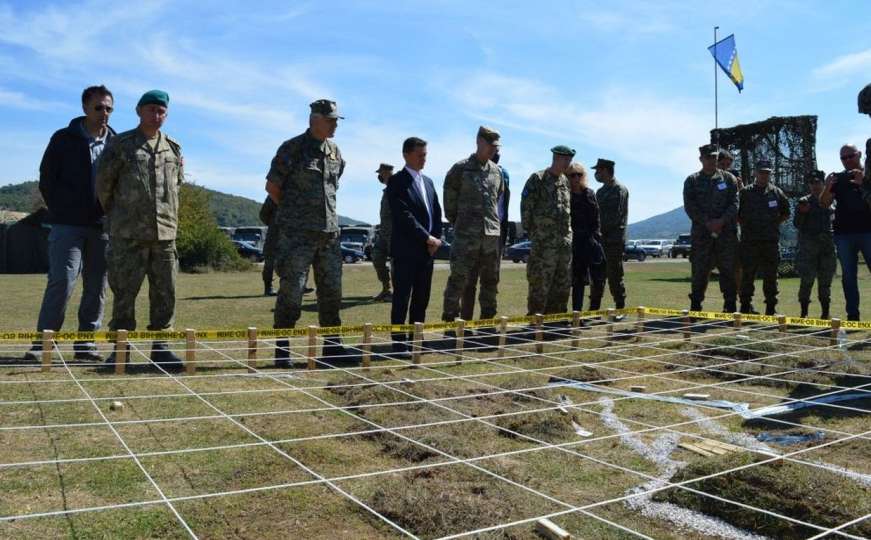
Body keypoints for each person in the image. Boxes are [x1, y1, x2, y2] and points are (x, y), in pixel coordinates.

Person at [25, 85, 116, 362]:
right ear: (85, 108)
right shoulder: (63, 138)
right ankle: (43, 345)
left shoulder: (117, 143)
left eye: (109, 108)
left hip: (101, 227)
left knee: (96, 286)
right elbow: (46, 178)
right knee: (62, 282)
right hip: (67, 224)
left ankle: (86, 345)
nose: (104, 113)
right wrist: (61, 209)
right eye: (99, 107)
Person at [96, 89, 184, 369]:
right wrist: (119, 216)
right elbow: (104, 186)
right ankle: (121, 351)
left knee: (165, 294)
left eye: (161, 112)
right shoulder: (121, 144)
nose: (156, 116)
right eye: (151, 110)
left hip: (164, 236)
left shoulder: (174, 147)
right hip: (128, 235)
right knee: (124, 294)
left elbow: (176, 186)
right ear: (139, 111)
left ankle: (161, 348)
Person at [265, 99, 350, 366]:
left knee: (331, 294)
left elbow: (332, 189)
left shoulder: (335, 152)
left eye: (337, 120)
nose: (335, 124)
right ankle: (283, 349)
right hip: (297, 236)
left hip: (329, 235)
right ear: (315, 119)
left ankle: (333, 347)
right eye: (331, 119)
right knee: (292, 292)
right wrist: (294, 216)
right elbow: (273, 188)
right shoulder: (292, 148)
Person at [441, 126, 505, 324]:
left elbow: (498, 197)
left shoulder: (497, 172)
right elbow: (449, 204)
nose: (493, 150)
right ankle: (451, 320)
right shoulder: (460, 169)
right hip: (466, 236)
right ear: (479, 142)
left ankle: (487, 320)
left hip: (490, 237)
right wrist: (462, 224)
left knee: (490, 281)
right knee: (459, 279)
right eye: (490, 146)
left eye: (496, 147)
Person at [386, 138, 442, 355]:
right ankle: (399, 343)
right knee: (402, 298)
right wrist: (426, 237)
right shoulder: (397, 182)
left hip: (428, 251)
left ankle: (416, 338)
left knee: (422, 298)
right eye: (420, 155)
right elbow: (404, 216)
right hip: (407, 250)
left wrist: (435, 238)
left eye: (425, 154)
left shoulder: (427, 182)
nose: (424, 159)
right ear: (406, 155)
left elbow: (436, 212)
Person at [683, 144, 740, 313]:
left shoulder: (729, 179)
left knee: (728, 271)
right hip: (702, 235)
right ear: (701, 159)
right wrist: (707, 222)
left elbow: (735, 203)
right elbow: (690, 206)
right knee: (700, 272)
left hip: (726, 235)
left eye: (715, 157)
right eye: (708, 158)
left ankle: (729, 307)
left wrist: (721, 221)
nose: (712, 161)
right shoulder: (692, 180)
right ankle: (696, 306)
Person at [820, 143, 871, 321]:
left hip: (868, 232)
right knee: (848, 277)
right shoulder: (838, 178)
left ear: (860, 154)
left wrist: (863, 182)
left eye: (851, 156)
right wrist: (827, 187)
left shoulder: (868, 175)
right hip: (844, 234)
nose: (848, 160)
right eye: (844, 158)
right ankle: (853, 315)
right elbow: (825, 203)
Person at [521, 145, 573, 315]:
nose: (568, 163)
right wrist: (535, 234)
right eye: (565, 159)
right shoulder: (538, 178)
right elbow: (526, 208)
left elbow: (567, 212)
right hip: (543, 244)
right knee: (540, 284)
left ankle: (555, 322)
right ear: (556, 158)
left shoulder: (565, 181)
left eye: (569, 159)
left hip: (563, 244)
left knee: (562, 284)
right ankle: (535, 323)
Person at [459, 150, 510, 320]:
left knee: (490, 281)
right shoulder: (468, 172)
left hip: (495, 234)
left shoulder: (503, 175)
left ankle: (486, 323)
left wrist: (502, 233)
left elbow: (503, 208)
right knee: (469, 281)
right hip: (472, 233)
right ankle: (464, 323)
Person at [737, 159, 790, 315]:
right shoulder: (745, 193)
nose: (764, 175)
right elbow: (736, 214)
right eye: (762, 172)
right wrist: (747, 225)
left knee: (771, 276)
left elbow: (786, 212)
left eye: (767, 173)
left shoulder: (776, 192)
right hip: (750, 242)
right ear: (755, 172)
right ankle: (745, 307)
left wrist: (773, 223)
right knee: (748, 275)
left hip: (770, 241)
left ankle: (771, 309)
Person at [794, 170, 836, 319]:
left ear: (823, 183)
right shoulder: (803, 201)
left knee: (825, 282)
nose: (815, 186)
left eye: (818, 182)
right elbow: (797, 224)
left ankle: (825, 313)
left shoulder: (831, 201)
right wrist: (802, 213)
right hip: (808, 249)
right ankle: (804, 312)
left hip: (827, 249)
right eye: (812, 183)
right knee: (807, 281)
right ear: (809, 185)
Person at [589, 158, 628, 311]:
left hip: (613, 241)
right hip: (600, 241)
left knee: (614, 276)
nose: (596, 174)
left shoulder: (619, 189)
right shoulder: (601, 191)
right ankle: (594, 309)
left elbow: (615, 217)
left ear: (605, 170)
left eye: (598, 171)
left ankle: (620, 307)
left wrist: (598, 229)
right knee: (597, 275)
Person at [567, 162, 605, 312]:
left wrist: (596, 240)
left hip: (590, 241)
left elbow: (596, 219)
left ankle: (593, 312)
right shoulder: (565, 195)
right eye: (572, 175)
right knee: (578, 280)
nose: (576, 178)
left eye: (579, 174)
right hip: (573, 242)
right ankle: (577, 313)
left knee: (598, 277)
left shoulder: (589, 193)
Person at [371, 163, 395, 302]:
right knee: (377, 256)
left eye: (380, 173)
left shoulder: (398, 187)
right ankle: (387, 289)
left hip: (396, 234)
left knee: (396, 264)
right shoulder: (387, 190)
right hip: (384, 233)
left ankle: (396, 293)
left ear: (387, 173)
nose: (379, 176)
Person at [259, 196, 279, 296]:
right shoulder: (274, 193)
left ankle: (299, 286)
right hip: (275, 234)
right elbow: (263, 215)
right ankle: (268, 288)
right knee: (270, 261)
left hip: (292, 233)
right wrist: (273, 224)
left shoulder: (298, 193)